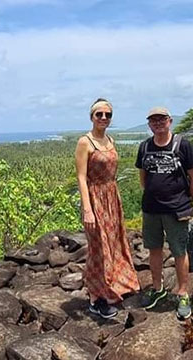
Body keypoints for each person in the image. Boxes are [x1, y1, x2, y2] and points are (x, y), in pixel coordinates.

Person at [75, 98, 140, 318]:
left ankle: (112, 286)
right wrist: (87, 208)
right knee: (98, 247)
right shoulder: (86, 142)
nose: (103, 118)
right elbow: (81, 177)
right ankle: (96, 298)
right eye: (99, 114)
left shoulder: (110, 140)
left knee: (114, 243)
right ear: (91, 117)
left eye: (108, 115)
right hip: (95, 198)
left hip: (112, 196)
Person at [135, 107, 193, 319]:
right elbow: (143, 179)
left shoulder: (183, 145)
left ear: (170, 121)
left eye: (161, 119)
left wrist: (186, 200)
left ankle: (183, 293)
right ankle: (157, 288)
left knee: (179, 250)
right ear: (149, 124)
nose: (158, 123)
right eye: (153, 120)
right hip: (151, 209)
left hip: (176, 209)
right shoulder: (145, 146)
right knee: (154, 249)